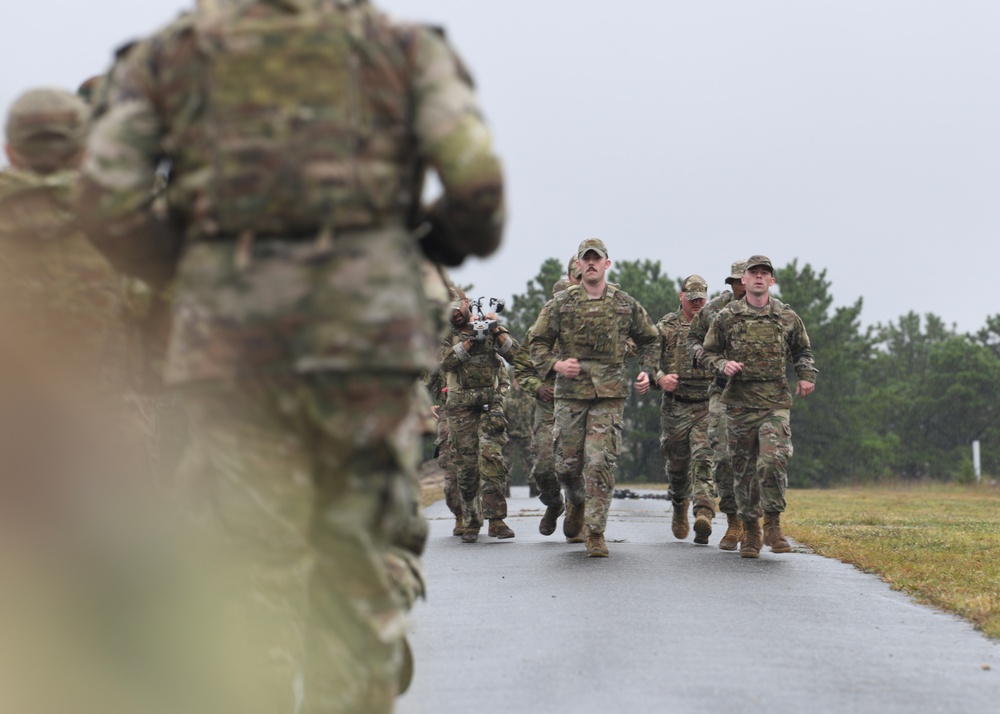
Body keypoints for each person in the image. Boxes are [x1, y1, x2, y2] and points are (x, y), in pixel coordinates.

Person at [77, 1, 505, 711]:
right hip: (364, 346)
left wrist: (188, 269)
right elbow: (479, 186)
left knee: (249, 566)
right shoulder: (400, 51)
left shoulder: (173, 53)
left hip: (235, 351)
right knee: (356, 569)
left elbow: (105, 194)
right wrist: (428, 246)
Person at [529, 238, 659, 558]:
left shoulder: (624, 303)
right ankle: (575, 501)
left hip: (608, 396)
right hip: (570, 396)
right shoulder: (561, 304)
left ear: (606, 264)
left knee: (600, 461)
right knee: (566, 465)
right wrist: (556, 364)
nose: (590, 263)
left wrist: (648, 371)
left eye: (596, 259)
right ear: (577, 265)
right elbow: (536, 343)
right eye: (585, 259)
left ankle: (596, 531)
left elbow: (650, 340)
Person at [701, 256, 817, 559]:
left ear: (771, 281)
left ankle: (774, 524)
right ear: (745, 279)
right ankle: (750, 529)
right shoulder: (727, 316)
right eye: (754, 273)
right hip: (739, 404)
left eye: (765, 273)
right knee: (742, 471)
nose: (758, 277)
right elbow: (706, 351)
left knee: (772, 461)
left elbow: (802, 350)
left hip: (774, 403)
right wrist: (723, 364)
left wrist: (805, 375)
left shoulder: (786, 316)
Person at [439, 292, 518, 542]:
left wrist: (495, 331)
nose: (454, 313)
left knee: (491, 457)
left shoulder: (488, 324)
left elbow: (515, 355)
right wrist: (470, 340)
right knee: (466, 467)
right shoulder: (445, 335)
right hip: (460, 408)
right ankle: (471, 520)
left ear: (467, 303)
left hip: (489, 405)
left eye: (457, 307)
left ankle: (497, 520)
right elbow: (445, 363)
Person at [687, 260, 747, 550]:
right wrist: (709, 359)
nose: (741, 285)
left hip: (761, 396)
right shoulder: (716, 310)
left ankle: (757, 521)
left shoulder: (776, 311)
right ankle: (734, 521)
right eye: (736, 280)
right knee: (721, 457)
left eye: (745, 279)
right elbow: (693, 338)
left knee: (758, 460)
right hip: (722, 392)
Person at [653, 274, 715, 544]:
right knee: (678, 466)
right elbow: (649, 359)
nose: (697, 304)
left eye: (701, 299)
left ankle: (704, 513)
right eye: (692, 299)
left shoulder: (715, 324)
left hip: (707, 405)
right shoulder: (666, 327)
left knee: (704, 459)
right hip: (676, 407)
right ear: (682, 297)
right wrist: (659, 378)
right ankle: (680, 503)